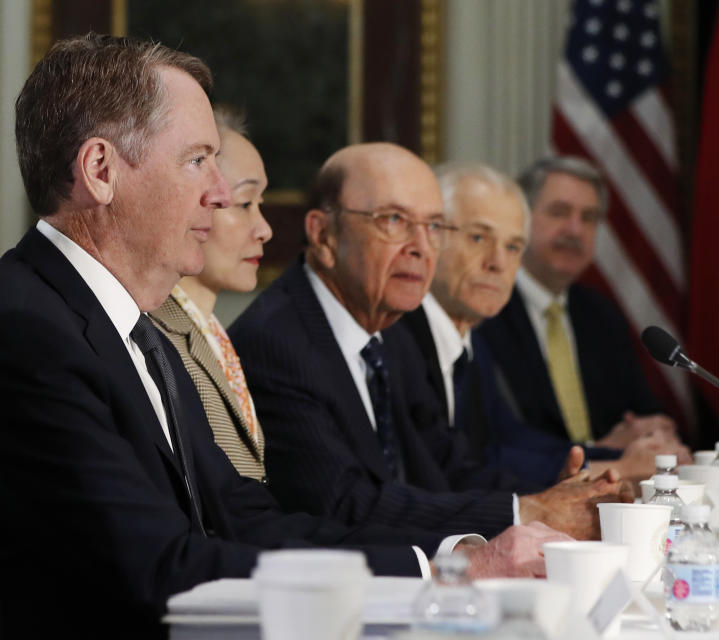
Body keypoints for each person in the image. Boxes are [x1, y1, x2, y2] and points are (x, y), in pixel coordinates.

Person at [0, 35, 563, 637]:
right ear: (101, 171)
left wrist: (454, 558)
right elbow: (159, 564)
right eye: (197, 160)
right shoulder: (27, 328)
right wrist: (440, 571)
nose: (219, 193)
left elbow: (250, 520)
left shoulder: (138, 329)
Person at [230, 143, 631, 545]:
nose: (421, 247)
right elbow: (345, 504)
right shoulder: (276, 342)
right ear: (323, 235)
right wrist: (525, 511)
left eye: (434, 226)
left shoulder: (389, 335)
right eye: (394, 220)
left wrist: (549, 496)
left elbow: (446, 467)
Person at [398, 162, 687, 486]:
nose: (497, 262)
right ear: (430, 237)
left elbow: (502, 439)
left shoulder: (597, 314)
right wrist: (610, 468)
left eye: (511, 246)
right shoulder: (404, 337)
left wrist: (634, 449)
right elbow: (464, 468)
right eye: (479, 238)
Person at [478, 155, 689, 455]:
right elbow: (502, 442)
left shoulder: (600, 314)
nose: (575, 230)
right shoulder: (486, 310)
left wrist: (652, 429)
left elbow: (642, 409)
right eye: (560, 212)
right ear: (520, 219)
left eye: (588, 218)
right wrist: (595, 451)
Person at [150, 107, 270, 482]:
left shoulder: (212, 331)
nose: (264, 229)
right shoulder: (153, 335)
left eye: (261, 205)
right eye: (245, 203)